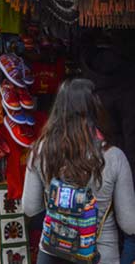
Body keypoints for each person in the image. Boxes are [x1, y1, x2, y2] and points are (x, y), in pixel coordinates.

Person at [22, 79, 135, 264]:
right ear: (95, 110)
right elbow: (130, 224)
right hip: (99, 256)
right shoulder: (114, 157)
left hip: (52, 253)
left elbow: (30, 207)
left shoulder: (40, 150)